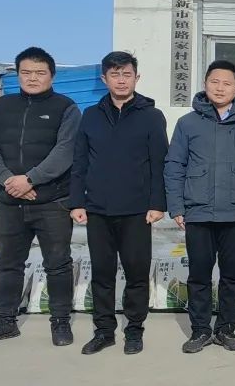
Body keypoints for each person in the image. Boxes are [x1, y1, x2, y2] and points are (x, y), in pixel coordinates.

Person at [0, 47, 80, 347]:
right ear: (18, 74)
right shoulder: (2, 106)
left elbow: (65, 151)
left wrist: (31, 179)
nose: (32, 78)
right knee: (8, 263)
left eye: (39, 72)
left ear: (52, 76)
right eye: (26, 72)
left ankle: (60, 321)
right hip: (10, 202)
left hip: (52, 202)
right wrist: (8, 180)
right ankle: (4, 321)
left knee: (58, 263)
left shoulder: (66, 108)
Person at [69, 51, 168, 356]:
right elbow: (80, 162)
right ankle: (104, 331)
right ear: (104, 79)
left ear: (137, 78)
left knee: (136, 273)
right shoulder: (91, 116)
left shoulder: (151, 116)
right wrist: (77, 202)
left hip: (137, 211)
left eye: (126, 74)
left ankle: (134, 330)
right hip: (98, 210)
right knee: (102, 273)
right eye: (115, 74)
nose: (121, 80)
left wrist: (157, 204)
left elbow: (159, 163)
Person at [164, 60, 235, 354]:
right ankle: (200, 330)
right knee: (199, 274)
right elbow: (174, 165)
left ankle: (226, 329)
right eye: (214, 82)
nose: (220, 88)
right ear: (205, 84)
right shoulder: (187, 123)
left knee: (232, 275)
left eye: (227, 83)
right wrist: (176, 206)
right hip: (198, 212)